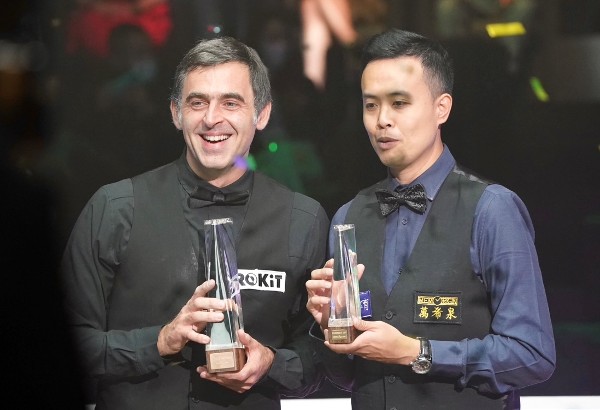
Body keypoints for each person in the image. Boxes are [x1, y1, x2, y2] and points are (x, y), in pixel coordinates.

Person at [60, 36, 329, 409]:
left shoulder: (303, 219)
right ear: (175, 113)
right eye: (197, 102)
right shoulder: (116, 208)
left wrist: (272, 363)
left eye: (230, 103)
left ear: (262, 114)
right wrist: (159, 342)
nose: (211, 118)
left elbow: (321, 356)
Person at [306, 28, 555, 409]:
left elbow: (532, 355)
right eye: (370, 105)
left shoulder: (492, 209)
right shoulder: (348, 217)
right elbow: (350, 376)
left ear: (442, 108)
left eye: (399, 103)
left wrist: (417, 352)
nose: (382, 120)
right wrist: (331, 330)